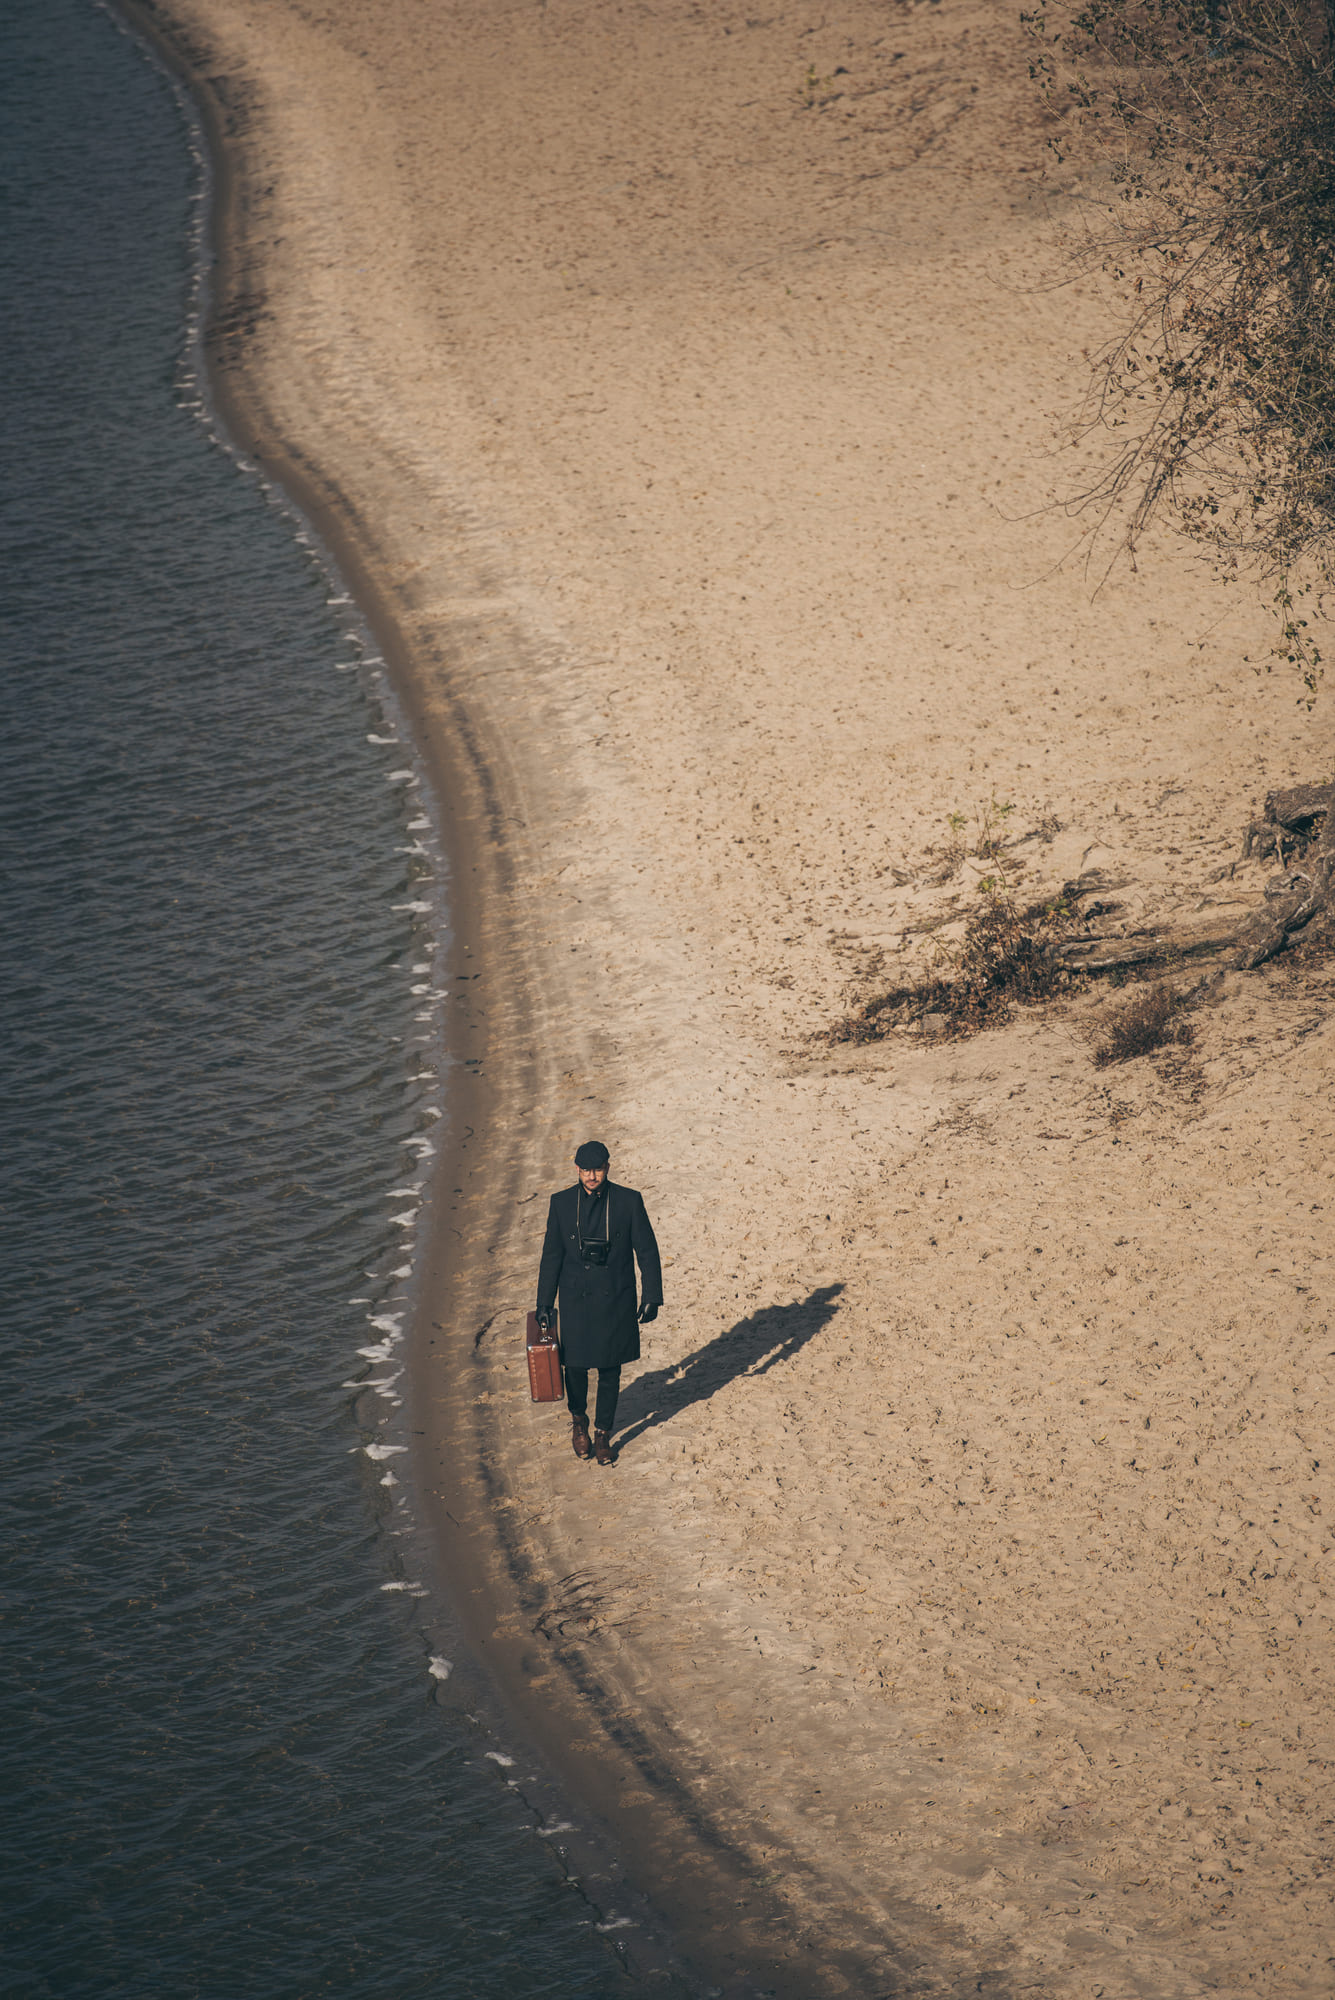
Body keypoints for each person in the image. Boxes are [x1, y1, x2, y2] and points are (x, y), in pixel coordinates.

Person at [535, 1141, 662, 1465]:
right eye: (587, 1170)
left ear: (608, 1167)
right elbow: (551, 1256)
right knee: (574, 1366)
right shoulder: (561, 1203)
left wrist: (652, 1297)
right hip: (576, 1297)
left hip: (615, 1295)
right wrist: (544, 1304)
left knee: (610, 1368)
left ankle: (603, 1432)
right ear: (577, 1169)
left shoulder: (628, 1201)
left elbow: (646, 1251)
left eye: (598, 1169)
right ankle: (579, 1422)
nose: (592, 1176)